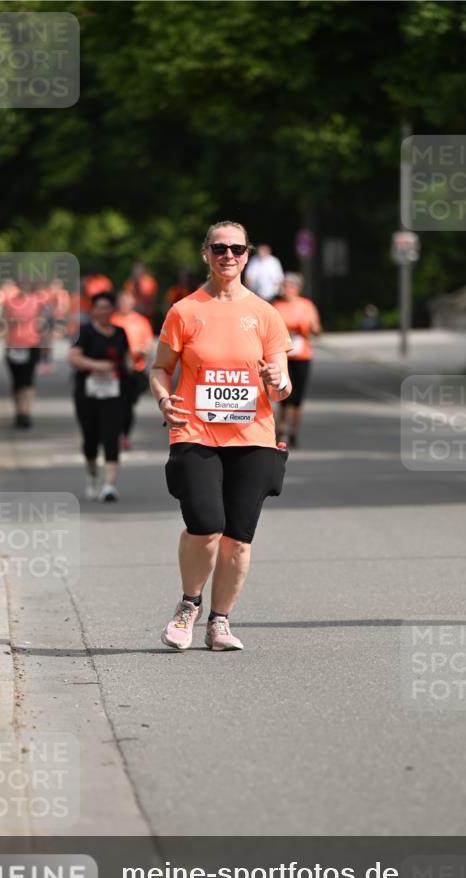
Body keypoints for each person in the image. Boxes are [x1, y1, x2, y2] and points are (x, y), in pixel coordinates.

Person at [150, 220, 293, 651]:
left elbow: (284, 386)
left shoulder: (266, 314)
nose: (228, 256)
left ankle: (220, 622)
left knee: (238, 537)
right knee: (206, 525)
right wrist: (163, 399)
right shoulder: (184, 311)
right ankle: (188, 607)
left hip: (253, 437)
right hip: (194, 432)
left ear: (248, 254)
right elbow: (161, 369)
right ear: (205, 254)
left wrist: (277, 380)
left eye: (236, 248)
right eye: (219, 248)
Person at [68, 291, 131, 502]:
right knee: (90, 437)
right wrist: (98, 366)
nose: (103, 311)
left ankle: (110, 485)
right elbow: (73, 358)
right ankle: (92, 474)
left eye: (107, 307)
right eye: (99, 307)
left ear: (112, 310)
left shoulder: (120, 333)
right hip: (88, 393)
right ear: (93, 310)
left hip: (114, 393)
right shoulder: (84, 332)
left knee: (112, 436)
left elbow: (127, 360)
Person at [273, 273, 322, 448]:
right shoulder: (276, 306)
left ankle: (293, 432)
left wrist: (309, 325)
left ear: (297, 288)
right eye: (284, 286)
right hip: (282, 357)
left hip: (302, 356)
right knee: (283, 395)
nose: (286, 289)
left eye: (290, 286)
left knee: (297, 398)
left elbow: (317, 331)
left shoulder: (306, 305)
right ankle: (281, 429)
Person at [111, 290, 155, 450]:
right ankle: (114, 434)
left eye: (127, 301)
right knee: (116, 404)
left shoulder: (141, 321)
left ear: (132, 303)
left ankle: (125, 435)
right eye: (121, 301)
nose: (123, 304)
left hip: (135, 369)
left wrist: (141, 350)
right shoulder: (112, 320)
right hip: (115, 370)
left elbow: (149, 344)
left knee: (128, 405)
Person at [0, 279, 46, 428]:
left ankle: (26, 411)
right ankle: (18, 412)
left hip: (31, 344)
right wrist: (15, 321)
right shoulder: (9, 301)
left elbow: (42, 320)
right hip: (13, 345)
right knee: (16, 381)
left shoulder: (37, 301)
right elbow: (4, 321)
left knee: (28, 380)